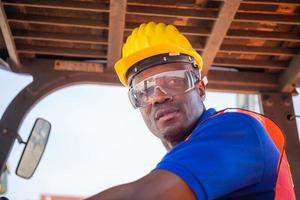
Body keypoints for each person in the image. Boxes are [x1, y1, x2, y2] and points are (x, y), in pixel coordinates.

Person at [87, 22, 295, 200]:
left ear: (200, 89)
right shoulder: (175, 169)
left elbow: (138, 196)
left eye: (173, 81)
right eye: (144, 91)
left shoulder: (236, 132)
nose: (159, 96)